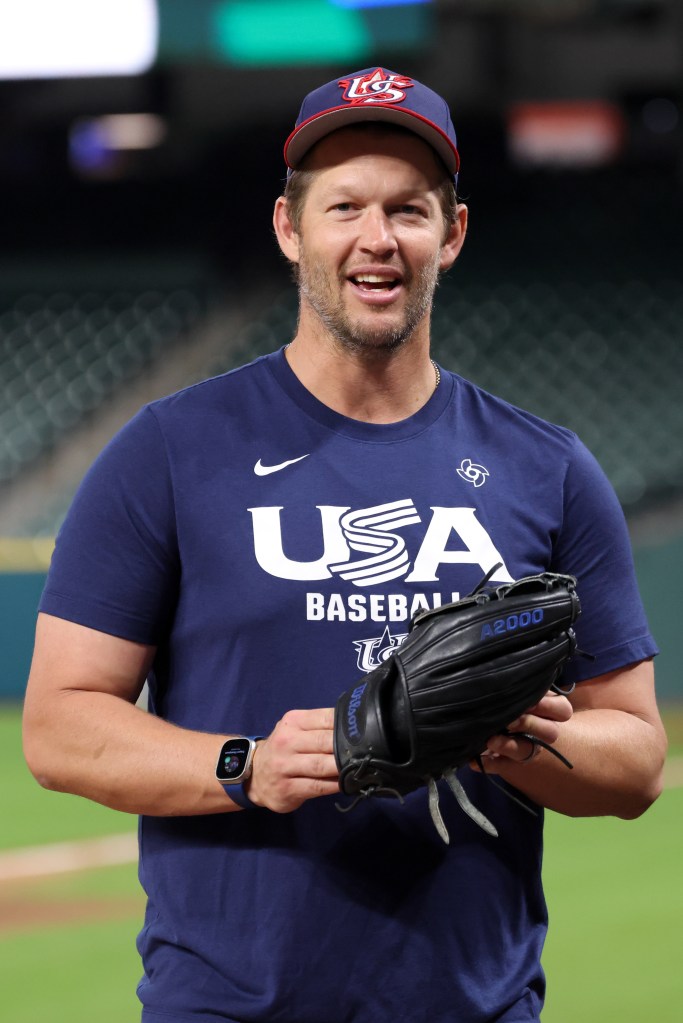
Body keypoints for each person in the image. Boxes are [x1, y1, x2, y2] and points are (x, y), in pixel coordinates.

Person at [23, 67, 667, 1023]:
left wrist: (508, 737)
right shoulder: (168, 449)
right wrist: (247, 766)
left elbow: (636, 759)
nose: (377, 239)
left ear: (450, 235)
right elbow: (59, 725)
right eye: (345, 206)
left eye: (409, 210)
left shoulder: (548, 468)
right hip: (228, 1006)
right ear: (290, 229)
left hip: (471, 1007)